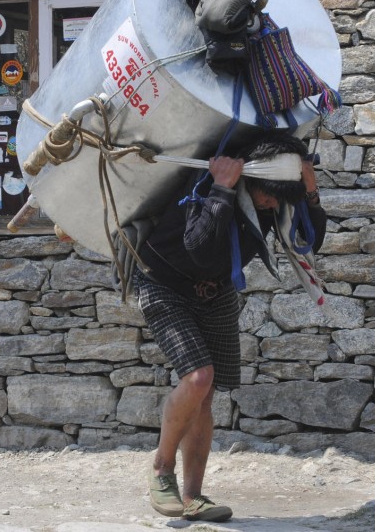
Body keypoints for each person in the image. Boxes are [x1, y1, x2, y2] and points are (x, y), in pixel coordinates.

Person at [134, 131, 326, 522]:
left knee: (206, 396)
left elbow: (311, 239)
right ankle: (161, 469)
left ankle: (193, 497)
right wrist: (222, 189)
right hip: (163, 282)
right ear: (249, 180)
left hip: (216, 290)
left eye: (279, 199)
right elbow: (201, 250)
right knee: (198, 378)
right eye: (267, 197)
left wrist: (309, 191)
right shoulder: (208, 181)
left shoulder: (276, 194)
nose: (273, 204)